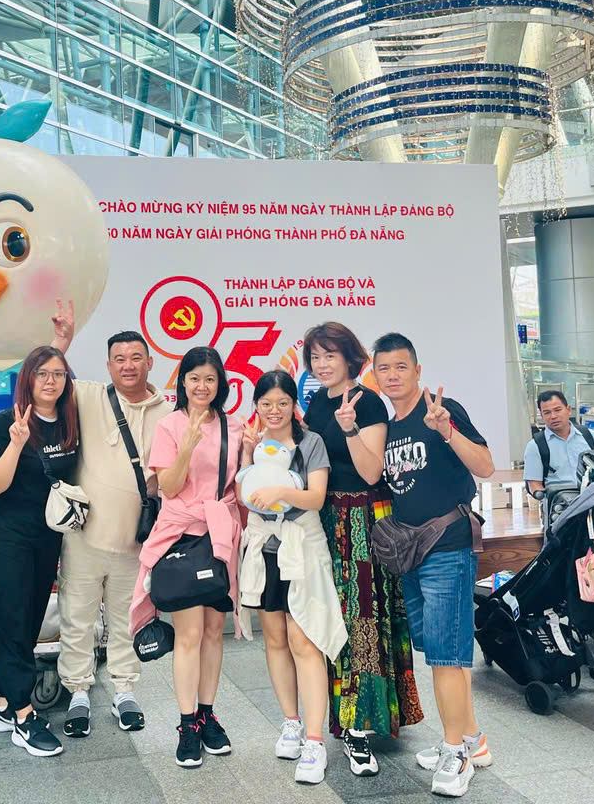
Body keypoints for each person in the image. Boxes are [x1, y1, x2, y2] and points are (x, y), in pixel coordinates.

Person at [371, 332, 494, 798]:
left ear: (418, 371)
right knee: (443, 651)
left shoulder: (441, 410)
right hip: (410, 552)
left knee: (445, 655)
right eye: (384, 368)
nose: (393, 375)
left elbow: (484, 465)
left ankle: (455, 753)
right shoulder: (388, 428)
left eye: (401, 366)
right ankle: (473, 739)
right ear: (375, 375)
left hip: (448, 547)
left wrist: (447, 430)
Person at [302, 322, 421, 777]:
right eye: (315, 357)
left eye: (329, 355)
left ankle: (359, 726)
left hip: (362, 521)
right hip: (324, 518)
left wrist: (350, 429)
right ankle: (345, 716)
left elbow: (372, 473)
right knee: (331, 621)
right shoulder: (316, 402)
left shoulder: (368, 402)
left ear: (350, 358)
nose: (322, 365)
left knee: (363, 622)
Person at [49, 310, 171, 738]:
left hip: (136, 542)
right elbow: (48, 375)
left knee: (126, 619)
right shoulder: (89, 396)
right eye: (119, 359)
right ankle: (79, 692)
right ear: (108, 365)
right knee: (77, 618)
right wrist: (62, 339)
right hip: (84, 539)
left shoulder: (168, 413)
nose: (128, 365)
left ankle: (124, 690)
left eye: (136, 358)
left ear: (149, 362)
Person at [133, 346, 244, 769]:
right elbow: (169, 486)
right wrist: (188, 445)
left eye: (210, 379)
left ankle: (207, 715)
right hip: (181, 536)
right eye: (194, 378)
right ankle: (186, 725)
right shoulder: (170, 425)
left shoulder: (235, 426)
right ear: (182, 382)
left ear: (220, 384)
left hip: (220, 536)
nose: (202, 386)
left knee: (215, 632)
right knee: (190, 634)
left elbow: (240, 484)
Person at [236, 370, 345, 786]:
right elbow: (245, 492)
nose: (274, 411)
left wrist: (282, 493)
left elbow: (316, 497)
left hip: (301, 547)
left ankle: (315, 741)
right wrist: (247, 456)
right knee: (276, 639)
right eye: (266, 404)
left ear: (294, 405)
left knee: (305, 640)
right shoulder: (255, 442)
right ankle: (291, 723)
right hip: (264, 550)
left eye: (282, 403)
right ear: (256, 406)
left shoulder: (310, 442)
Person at [0, 345, 79, 757]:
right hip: (7, 538)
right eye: (42, 374)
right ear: (28, 379)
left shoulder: (69, 423)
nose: (50, 381)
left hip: (46, 538)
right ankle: (23, 716)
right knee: (10, 622)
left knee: (28, 623)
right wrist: (17, 444)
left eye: (58, 374)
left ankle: (2, 706)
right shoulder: (7, 422)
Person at [522, 391, 594, 501]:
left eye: (558, 410)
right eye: (547, 412)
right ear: (542, 415)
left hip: (593, 498)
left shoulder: (589, 436)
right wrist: (544, 498)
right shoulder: (536, 446)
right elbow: (534, 484)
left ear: (569, 410)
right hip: (559, 503)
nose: (553, 416)